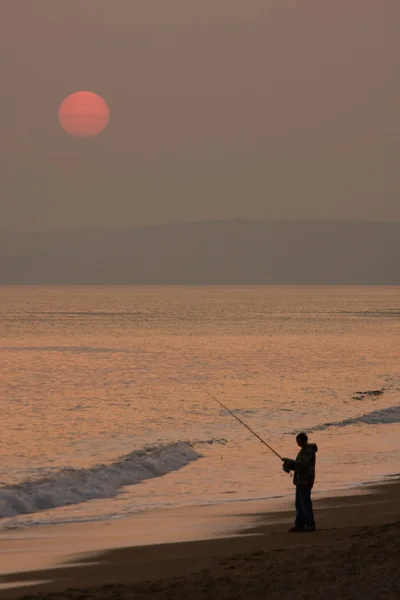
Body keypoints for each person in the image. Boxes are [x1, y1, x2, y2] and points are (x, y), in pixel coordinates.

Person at [282, 432, 318, 532]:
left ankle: (310, 524)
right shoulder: (303, 451)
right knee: (299, 503)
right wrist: (289, 465)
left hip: (306, 480)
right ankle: (300, 525)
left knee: (305, 503)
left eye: (299, 442)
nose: (298, 444)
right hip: (299, 480)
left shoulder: (309, 451)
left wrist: (291, 462)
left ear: (303, 441)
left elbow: (304, 465)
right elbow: (298, 466)